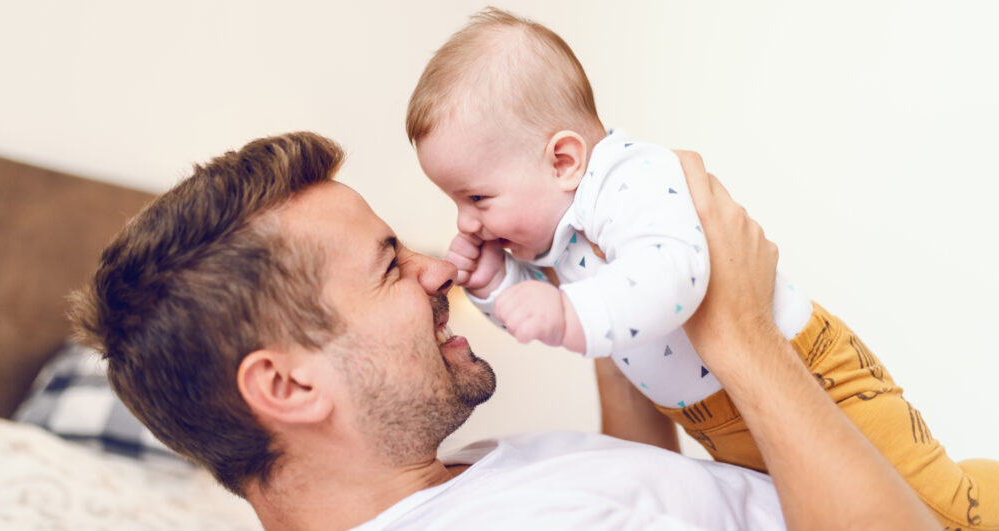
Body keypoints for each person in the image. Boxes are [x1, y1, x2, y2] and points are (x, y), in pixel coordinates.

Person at [68, 131, 937, 530]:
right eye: (389, 265)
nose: (439, 268)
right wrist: (741, 334)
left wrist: (606, 313)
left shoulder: (458, 479)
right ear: (288, 385)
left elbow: (655, 492)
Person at [406, 8, 997, 529]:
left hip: (814, 379)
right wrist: (497, 284)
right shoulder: (562, 232)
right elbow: (536, 312)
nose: (465, 221)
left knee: (942, 511)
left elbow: (672, 278)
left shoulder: (627, 181)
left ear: (563, 160)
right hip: (723, 417)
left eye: (476, 197)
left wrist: (568, 311)